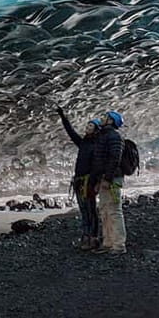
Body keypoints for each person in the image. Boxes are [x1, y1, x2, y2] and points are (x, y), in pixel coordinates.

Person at [56, 105, 101, 250]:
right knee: (84, 210)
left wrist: (94, 183)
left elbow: (97, 167)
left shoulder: (96, 146)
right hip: (79, 181)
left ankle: (93, 238)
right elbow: (70, 132)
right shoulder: (83, 143)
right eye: (88, 125)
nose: (87, 127)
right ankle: (86, 237)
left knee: (91, 210)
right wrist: (63, 117)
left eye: (90, 126)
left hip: (88, 181)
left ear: (96, 130)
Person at [90, 110, 126, 255]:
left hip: (112, 179)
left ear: (111, 121)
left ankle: (119, 245)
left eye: (105, 117)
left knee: (114, 211)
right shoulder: (104, 136)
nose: (102, 118)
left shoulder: (114, 137)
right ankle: (108, 242)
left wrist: (107, 179)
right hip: (104, 178)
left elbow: (114, 160)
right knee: (104, 210)